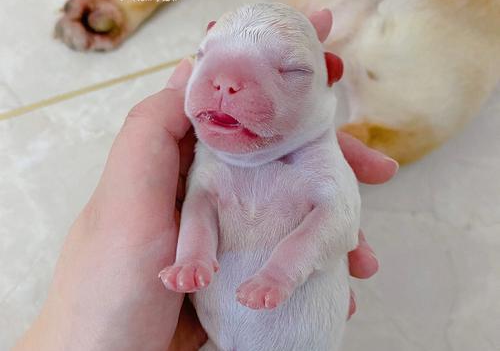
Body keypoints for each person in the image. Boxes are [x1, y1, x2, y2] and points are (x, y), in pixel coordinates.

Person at [15, 58, 398, 351]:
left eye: (288, 70)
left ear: (325, 76)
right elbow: (200, 206)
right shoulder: (205, 155)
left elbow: (338, 220)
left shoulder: (320, 150)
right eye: (212, 59)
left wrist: (281, 273)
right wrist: (192, 258)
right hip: (214, 333)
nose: (227, 85)